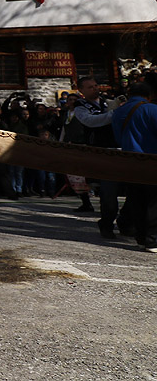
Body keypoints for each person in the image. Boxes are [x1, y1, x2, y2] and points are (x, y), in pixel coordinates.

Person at [62, 75, 124, 232]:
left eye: (96, 85)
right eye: (90, 87)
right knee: (108, 192)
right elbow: (91, 121)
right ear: (81, 90)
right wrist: (114, 114)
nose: (95, 88)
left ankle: (125, 221)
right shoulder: (80, 106)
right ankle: (107, 223)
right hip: (99, 150)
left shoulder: (106, 101)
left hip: (117, 148)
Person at [110, 82, 157, 252]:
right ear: (149, 95)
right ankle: (153, 240)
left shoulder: (118, 112)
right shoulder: (151, 109)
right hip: (151, 160)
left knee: (136, 200)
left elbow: (118, 137)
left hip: (129, 161)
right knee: (153, 202)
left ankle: (141, 238)